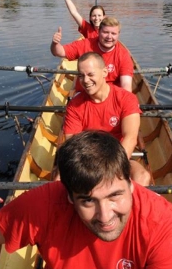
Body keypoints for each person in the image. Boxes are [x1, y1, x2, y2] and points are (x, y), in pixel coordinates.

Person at [0, 131, 172, 269]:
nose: (105, 217)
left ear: (132, 186)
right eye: (88, 200)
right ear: (69, 198)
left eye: (115, 196)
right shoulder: (45, 203)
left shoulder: (161, 222)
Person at [64, 52, 150, 186]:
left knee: (143, 176)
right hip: (88, 160)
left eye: (90, 75)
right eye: (81, 76)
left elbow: (130, 138)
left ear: (104, 72)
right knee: (60, 179)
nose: (85, 81)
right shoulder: (74, 105)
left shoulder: (126, 99)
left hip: (118, 155)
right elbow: (71, 144)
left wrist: (111, 168)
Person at [50, 16, 133, 92]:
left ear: (118, 34)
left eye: (113, 33)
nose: (109, 37)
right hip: (84, 92)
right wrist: (55, 43)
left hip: (110, 96)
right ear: (99, 31)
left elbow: (126, 85)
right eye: (105, 32)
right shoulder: (85, 44)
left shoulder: (123, 54)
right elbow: (59, 52)